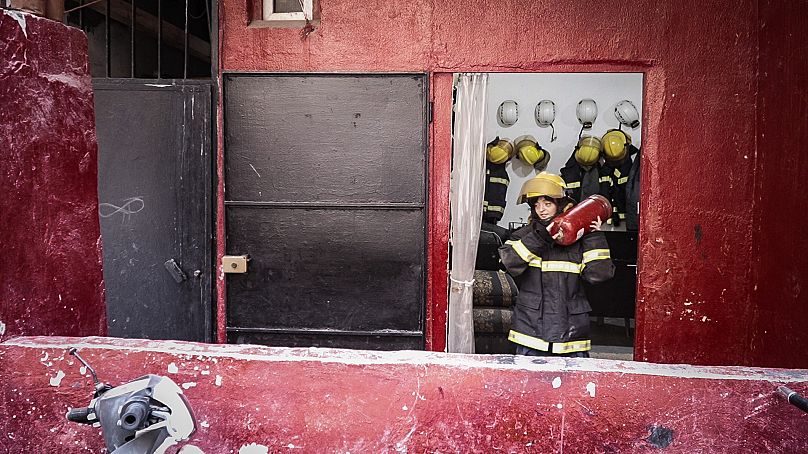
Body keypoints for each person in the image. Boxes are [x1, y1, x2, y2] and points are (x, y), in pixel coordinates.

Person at [499, 172, 614, 358]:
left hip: (571, 336)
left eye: (547, 204)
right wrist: (541, 237)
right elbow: (509, 262)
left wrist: (594, 236)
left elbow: (598, 275)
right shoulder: (523, 235)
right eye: (536, 205)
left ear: (560, 205)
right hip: (531, 333)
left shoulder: (582, 239)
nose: (541, 210)